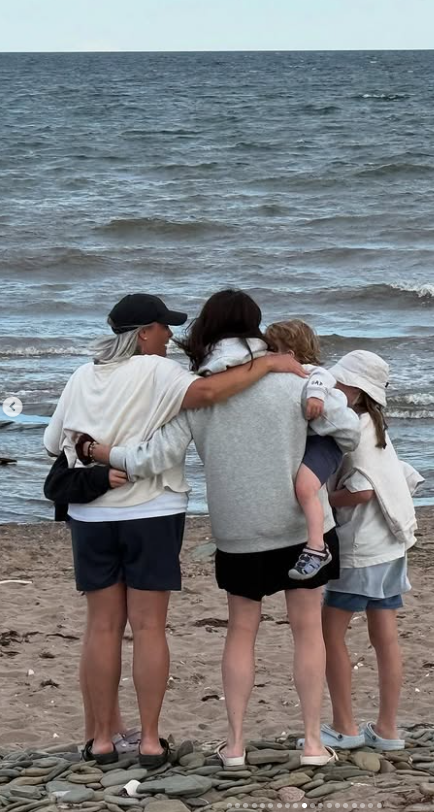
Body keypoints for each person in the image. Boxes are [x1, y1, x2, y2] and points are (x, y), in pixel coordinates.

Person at [86, 289, 361, 766]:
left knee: (240, 632)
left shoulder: (196, 392)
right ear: (256, 328)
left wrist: (100, 453)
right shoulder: (294, 377)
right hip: (302, 528)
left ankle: (234, 745)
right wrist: (312, 457)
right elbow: (349, 431)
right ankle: (314, 743)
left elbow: (155, 457)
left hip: (238, 533)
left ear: (208, 332)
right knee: (307, 631)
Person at [44, 292, 303, 765]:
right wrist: (268, 365)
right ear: (143, 333)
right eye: (163, 327)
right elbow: (208, 392)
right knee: (148, 627)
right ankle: (147, 739)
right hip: (150, 511)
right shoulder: (158, 371)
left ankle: (102, 739)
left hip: (91, 515)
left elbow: (52, 441)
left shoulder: (82, 374)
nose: (170, 335)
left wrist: (94, 451)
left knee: (101, 627)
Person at [320, 351, 424, 751]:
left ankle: (345, 725)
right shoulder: (377, 424)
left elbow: (361, 490)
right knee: (386, 637)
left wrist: (327, 499)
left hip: (363, 548)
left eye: (339, 384)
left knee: (331, 634)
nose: (332, 389)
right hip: (392, 543)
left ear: (355, 391)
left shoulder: (354, 429)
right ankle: (388, 728)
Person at [265, 319, 346, 580]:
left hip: (325, 442)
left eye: (271, 349)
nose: (266, 355)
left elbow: (324, 376)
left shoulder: (307, 372)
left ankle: (316, 548)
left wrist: (316, 396)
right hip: (309, 441)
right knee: (300, 488)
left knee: (305, 487)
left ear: (289, 354)